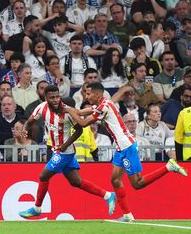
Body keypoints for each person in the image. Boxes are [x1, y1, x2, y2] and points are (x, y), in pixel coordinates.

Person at [64, 82, 187, 222]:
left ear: (97, 94)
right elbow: (80, 112)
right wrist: (67, 108)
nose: (86, 96)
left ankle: (168, 167)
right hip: (119, 146)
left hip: (126, 146)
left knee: (137, 183)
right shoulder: (104, 104)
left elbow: (83, 122)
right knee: (115, 180)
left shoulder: (104, 107)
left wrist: (67, 110)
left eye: (88, 93)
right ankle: (127, 215)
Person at [18, 85, 117, 218]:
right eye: (52, 97)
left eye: (57, 96)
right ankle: (108, 195)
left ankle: (37, 208)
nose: (55, 100)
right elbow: (30, 121)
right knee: (76, 182)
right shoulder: (42, 108)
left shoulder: (67, 112)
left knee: (43, 176)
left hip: (65, 152)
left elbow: (80, 130)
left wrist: (65, 145)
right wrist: (25, 128)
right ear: (46, 98)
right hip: (59, 150)